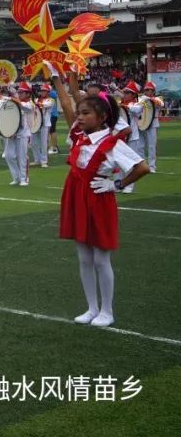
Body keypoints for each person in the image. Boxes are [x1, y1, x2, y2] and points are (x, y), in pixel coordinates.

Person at [52, 66, 149, 328]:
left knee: (100, 258)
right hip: (76, 198)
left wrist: (116, 184)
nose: (79, 117)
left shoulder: (113, 143)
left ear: (103, 116)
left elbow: (142, 167)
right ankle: (91, 307)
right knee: (83, 257)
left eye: (85, 113)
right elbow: (65, 101)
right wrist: (54, 75)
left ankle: (107, 310)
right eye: (79, 113)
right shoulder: (81, 139)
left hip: (98, 200)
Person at [3, 83, 35, 186]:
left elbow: (21, 105)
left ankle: (23, 179)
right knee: (8, 155)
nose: (19, 94)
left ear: (28, 94)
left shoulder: (30, 104)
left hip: (24, 133)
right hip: (12, 132)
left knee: (22, 157)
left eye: (21, 92)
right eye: (19, 92)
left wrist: (12, 94)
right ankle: (16, 177)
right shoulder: (16, 102)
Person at [141, 81, 163, 172]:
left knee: (152, 145)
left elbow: (161, 104)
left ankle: (152, 166)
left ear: (153, 91)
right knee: (140, 145)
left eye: (149, 90)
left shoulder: (158, 99)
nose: (147, 91)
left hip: (153, 123)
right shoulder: (142, 98)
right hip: (142, 123)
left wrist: (151, 99)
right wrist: (146, 98)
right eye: (146, 90)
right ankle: (141, 165)